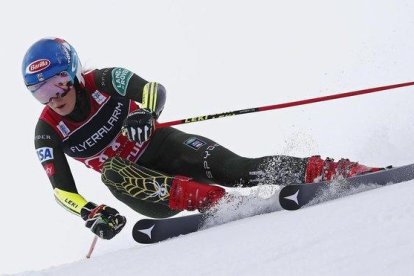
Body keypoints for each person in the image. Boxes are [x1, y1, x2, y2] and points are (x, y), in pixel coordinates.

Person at [22, 37, 382, 240]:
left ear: (72, 72)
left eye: (57, 82)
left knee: (237, 168)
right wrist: (92, 212)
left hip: (163, 147)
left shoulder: (103, 79)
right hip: (141, 187)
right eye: (40, 92)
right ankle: (216, 202)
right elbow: (61, 190)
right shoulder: (47, 130)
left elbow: (152, 90)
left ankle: (337, 170)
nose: (53, 96)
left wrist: (143, 113)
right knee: (113, 171)